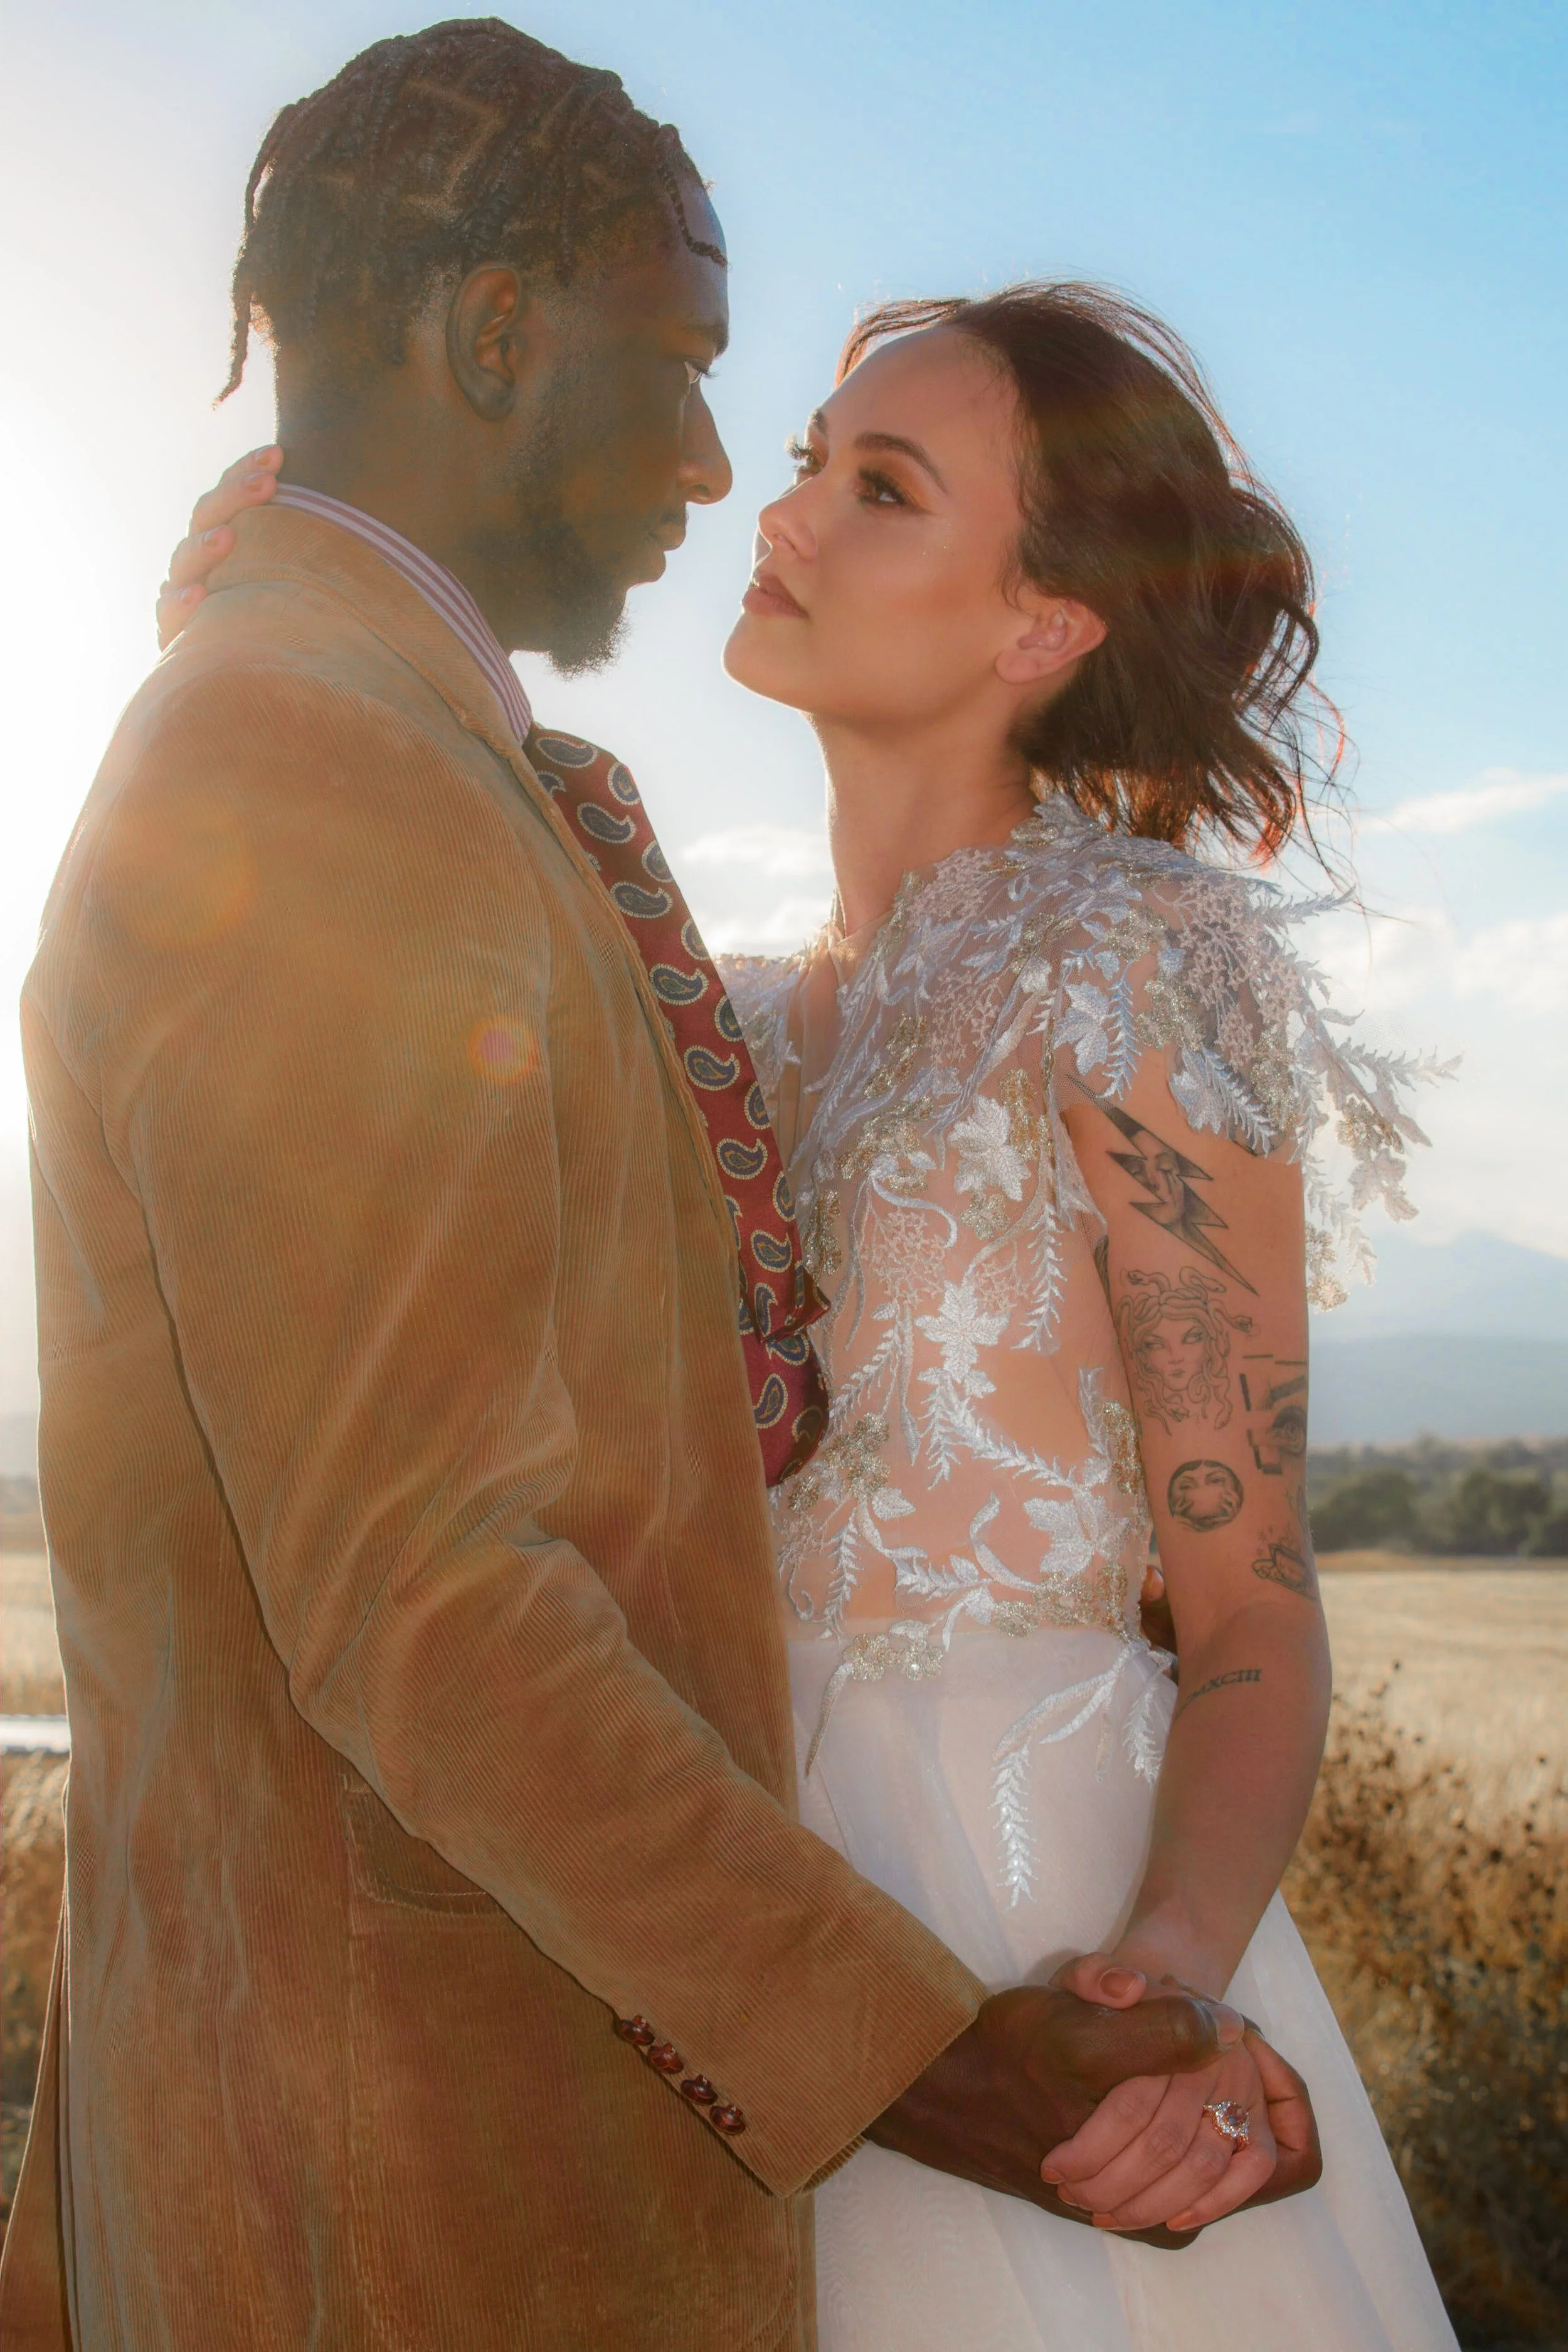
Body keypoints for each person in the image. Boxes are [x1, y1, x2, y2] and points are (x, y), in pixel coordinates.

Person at [0, 24, 1322, 2352]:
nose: (741, 485)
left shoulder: (673, 893)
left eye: (868, 482)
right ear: (498, 337)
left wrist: (1161, 1990)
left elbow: (1239, 1603)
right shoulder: (350, 774)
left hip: (952, 1923)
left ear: (1043, 627)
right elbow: (424, 1583)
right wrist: (938, 2059)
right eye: (723, 392)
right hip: (632, 2039)